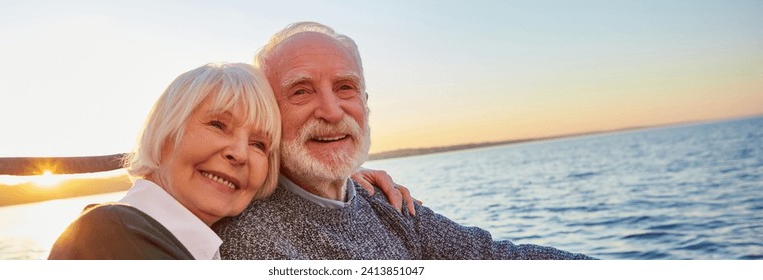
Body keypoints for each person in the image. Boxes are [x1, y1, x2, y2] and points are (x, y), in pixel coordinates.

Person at [213, 22, 596, 260]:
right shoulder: (249, 233)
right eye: (301, 91)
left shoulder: (384, 202)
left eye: (346, 88)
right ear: (268, 114)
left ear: (365, 104)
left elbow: (492, 258)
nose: (331, 112)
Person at [47, 62, 413, 260]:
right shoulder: (110, 237)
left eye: (258, 144)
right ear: (165, 133)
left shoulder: (193, 245)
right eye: (218, 125)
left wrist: (336, 177)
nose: (239, 153)